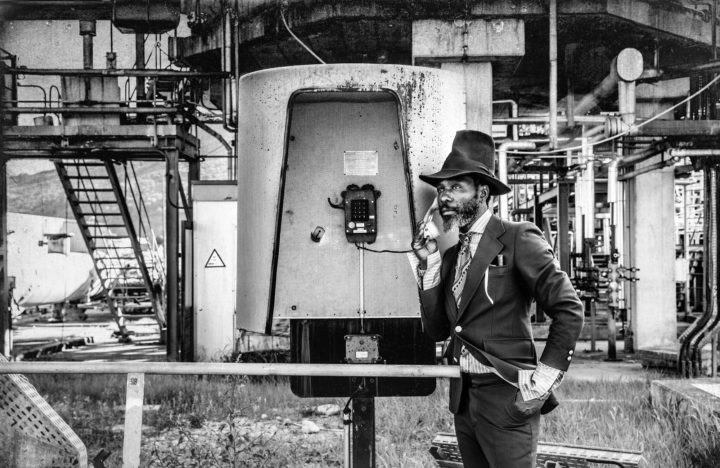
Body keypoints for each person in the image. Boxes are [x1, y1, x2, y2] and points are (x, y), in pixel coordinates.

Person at [409, 130, 584, 467]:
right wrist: (428, 264)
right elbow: (438, 330)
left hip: (507, 394)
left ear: (483, 192)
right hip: (464, 399)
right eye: (442, 189)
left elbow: (569, 309)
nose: (445, 197)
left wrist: (543, 382)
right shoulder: (450, 256)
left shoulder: (518, 237)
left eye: (456, 188)